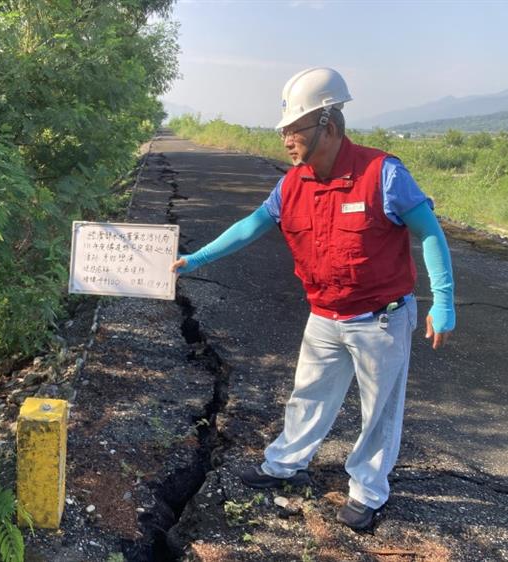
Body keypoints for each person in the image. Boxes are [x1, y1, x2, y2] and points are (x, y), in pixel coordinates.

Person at [170, 67, 455, 531]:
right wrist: (197, 258)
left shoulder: (382, 173)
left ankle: (367, 491)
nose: (287, 140)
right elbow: (250, 226)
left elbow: (429, 233)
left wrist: (443, 300)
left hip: (380, 319)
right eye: (283, 131)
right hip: (324, 314)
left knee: (379, 411)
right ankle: (283, 464)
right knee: (308, 395)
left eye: (295, 130)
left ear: (330, 125)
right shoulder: (293, 184)